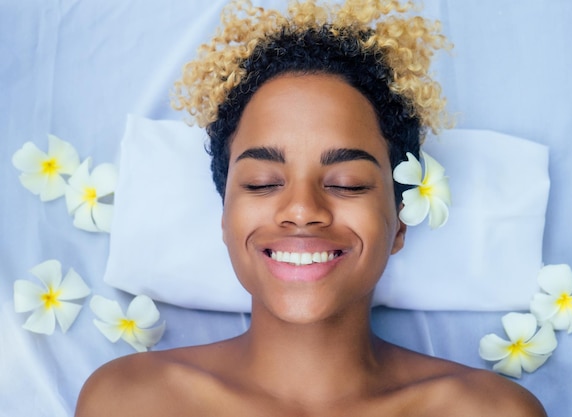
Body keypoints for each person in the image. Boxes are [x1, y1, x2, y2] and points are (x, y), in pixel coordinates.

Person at [75, 0, 547, 415]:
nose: (302, 209)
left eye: (347, 183)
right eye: (262, 183)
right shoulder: (130, 402)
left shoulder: (490, 411)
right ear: (224, 219)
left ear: (400, 222)